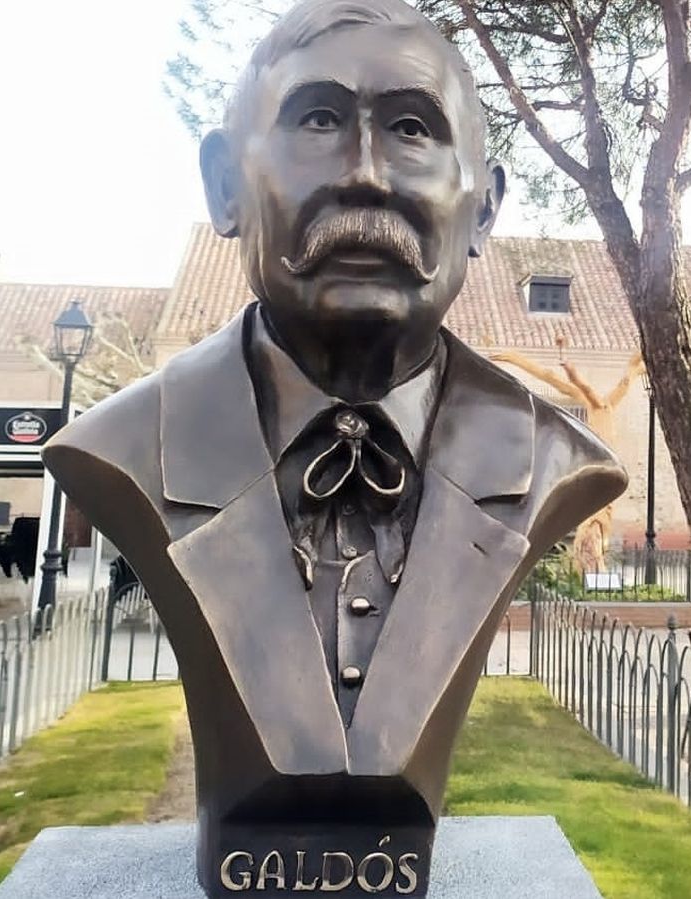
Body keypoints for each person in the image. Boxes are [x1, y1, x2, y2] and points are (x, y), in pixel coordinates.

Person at [39, 1, 628, 892]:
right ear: (224, 187)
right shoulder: (127, 448)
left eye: (411, 128)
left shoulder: (551, 463)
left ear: (486, 206)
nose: (365, 176)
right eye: (316, 119)